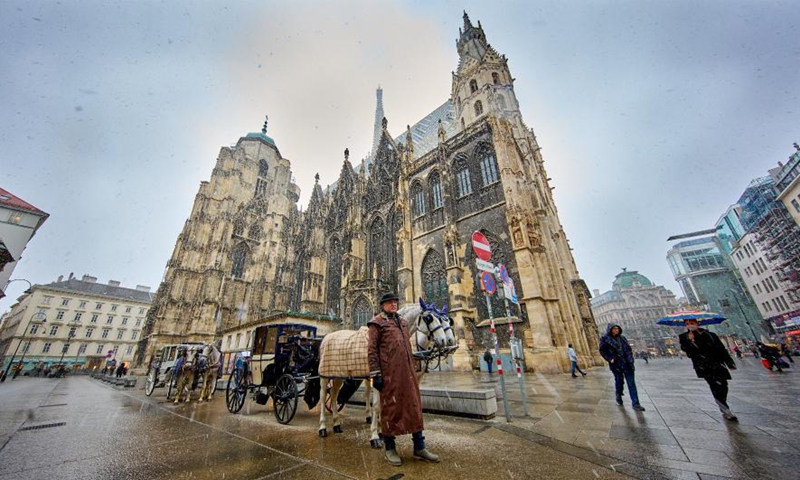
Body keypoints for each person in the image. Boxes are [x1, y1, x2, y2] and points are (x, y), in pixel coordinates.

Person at [368, 292, 439, 466]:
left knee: (414, 407)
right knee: (391, 409)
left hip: (407, 373)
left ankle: (419, 446)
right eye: (389, 302)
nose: (393, 305)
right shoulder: (377, 324)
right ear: (382, 305)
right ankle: (390, 448)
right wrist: (375, 373)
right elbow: (371, 351)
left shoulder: (404, 322)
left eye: (395, 302)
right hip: (389, 374)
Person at [679, 319, 738, 421]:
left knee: (723, 386)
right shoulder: (684, 337)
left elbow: (721, 349)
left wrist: (729, 363)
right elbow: (688, 352)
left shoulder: (710, 334)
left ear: (698, 324)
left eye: (692, 323)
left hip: (717, 363)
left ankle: (722, 402)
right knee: (714, 385)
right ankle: (725, 409)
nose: (690, 326)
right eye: (687, 324)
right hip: (703, 365)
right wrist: (690, 341)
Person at [599, 324, 645, 411]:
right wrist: (610, 359)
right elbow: (602, 351)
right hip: (616, 364)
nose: (616, 330)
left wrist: (631, 360)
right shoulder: (605, 339)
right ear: (610, 330)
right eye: (614, 329)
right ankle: (618, 395)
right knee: (619, 382)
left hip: (627, 364)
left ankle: (636, 403)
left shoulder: (622, 338)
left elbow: (628, 350)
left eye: (617, 328)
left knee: (631, 384)